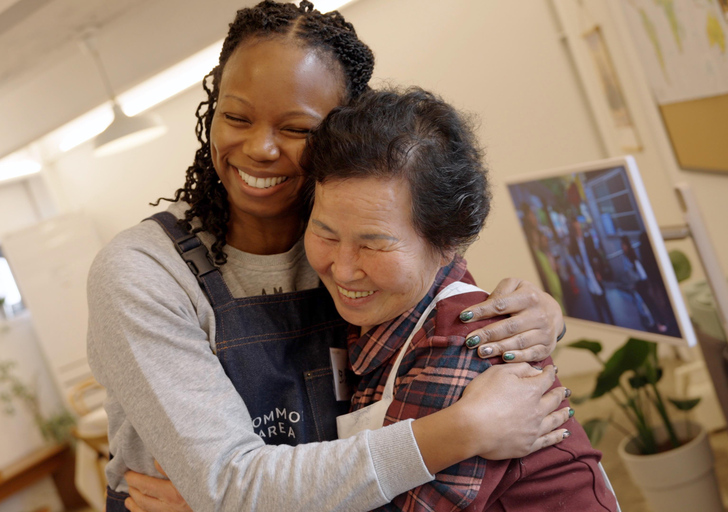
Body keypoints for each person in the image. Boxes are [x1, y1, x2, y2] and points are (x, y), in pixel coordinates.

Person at [87, 2, 569, 511]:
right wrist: (463, 430)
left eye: (297, 129)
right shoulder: (144, 273)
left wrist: (542, 317)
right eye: (235, 116)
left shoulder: (342, 242)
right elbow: (227, 487)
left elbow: (447, 310)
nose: (261, 148)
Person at [297, 87, 618, 511]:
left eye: (373, 245)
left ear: (447, 241)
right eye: (326, 234)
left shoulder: (464, 345)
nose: (342, 268)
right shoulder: (382, 313)